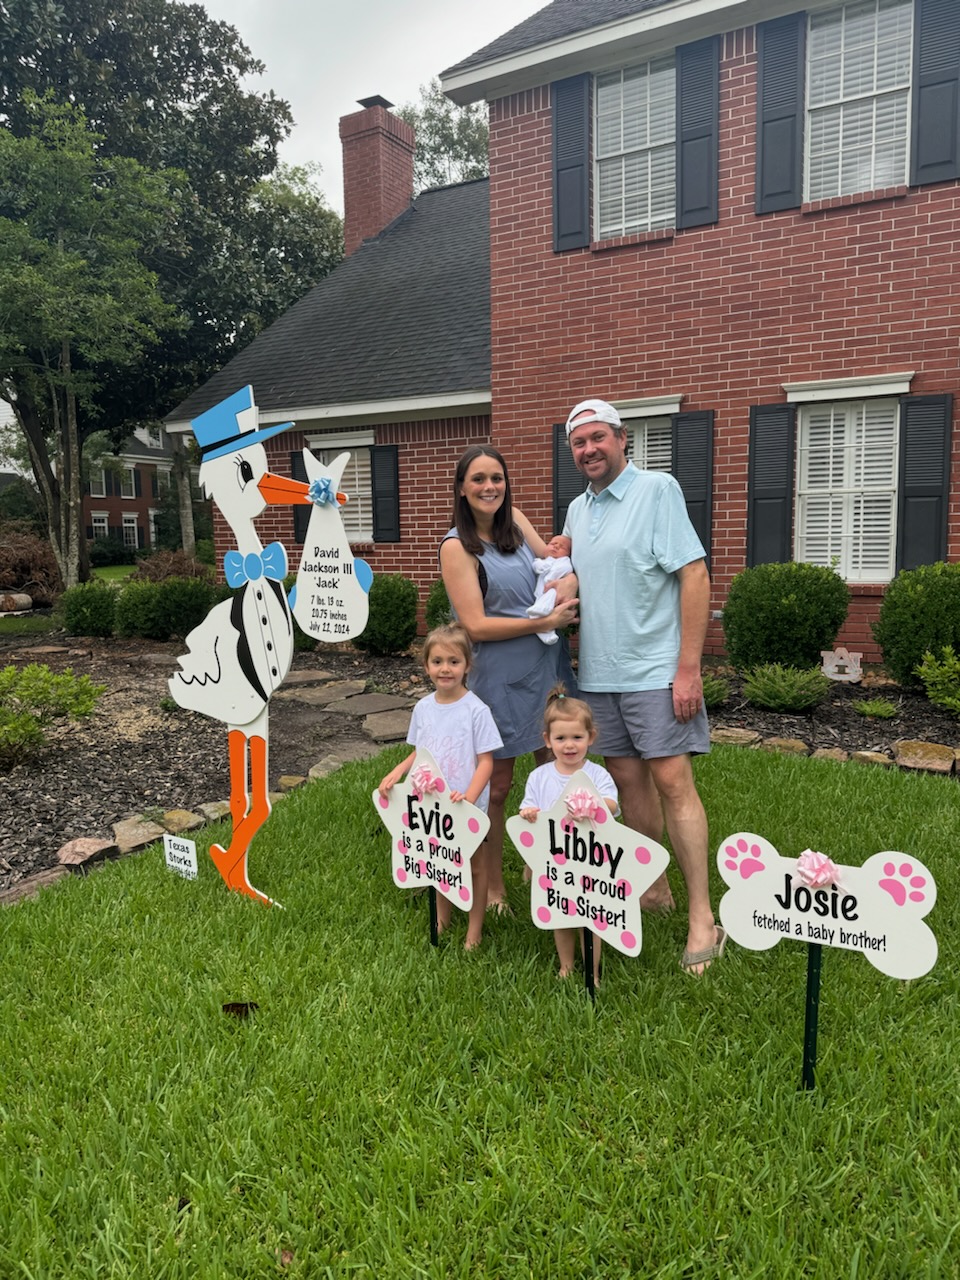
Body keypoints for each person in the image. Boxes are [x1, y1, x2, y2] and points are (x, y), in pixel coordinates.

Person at [562, 398, 724, 975]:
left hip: (656, 670)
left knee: (673, 781)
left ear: (622, 439)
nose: (589, 450)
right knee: (629, 782)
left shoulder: (658, 490)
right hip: (599, 674)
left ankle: (703, 917)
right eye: (579, 442)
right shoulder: (578, 511)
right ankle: (653, 888)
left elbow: (694, 574)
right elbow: (569, 573)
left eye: (598, 438)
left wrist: (688, 668)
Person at [440, 446, 580, 915]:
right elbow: (475, 626)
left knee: (554, 770)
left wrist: (567, 586)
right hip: (497, 676)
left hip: (546, 666)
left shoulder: (516, 520)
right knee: (496, 786)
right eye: (477, 479)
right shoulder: (456, 547)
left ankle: (549, 865)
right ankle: (493, 882)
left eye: (496, 477)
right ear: (462, 488)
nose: (489, 488)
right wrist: (540, 623)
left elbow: (557, 565)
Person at [378, 623, 502, 949]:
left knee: (475, 866)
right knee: (439, 861)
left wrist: (471, 798)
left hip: (465, 803)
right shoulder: (423, 708)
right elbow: (419, 752)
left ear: (467, 666)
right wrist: (397, 772)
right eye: (437, 661)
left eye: (453, 661)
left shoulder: (476, 711)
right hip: (430, 804)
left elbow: (486, 761)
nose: (445, 668)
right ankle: (442, 917)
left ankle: (474, 929)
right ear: (426, 666)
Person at [519, 685, 617, 983]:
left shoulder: (597, 775)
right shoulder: (539, 776)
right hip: (556, 860)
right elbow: (528, 808)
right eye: (561, 738)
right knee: (561, 914)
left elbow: (613, 805)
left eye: (577, 737)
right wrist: (530, 814)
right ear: (548, 740)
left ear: (591, 737)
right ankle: (566, 966)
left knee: (591, 917)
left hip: (590, 859)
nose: (569, 745)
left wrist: (594, 805)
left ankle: (593, 970)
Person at [525, 535, 575, 645]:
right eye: (553, 544)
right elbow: (536, 565)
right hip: (540, 589)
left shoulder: (564, 561)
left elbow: (566, 569)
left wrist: (551, 574)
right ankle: (547, 633)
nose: (556, 546)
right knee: (541, 601)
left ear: (568, 554)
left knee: (551, 595)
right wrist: (541, 566)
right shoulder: (541, 560)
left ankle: (541, 610)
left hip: (553, 588)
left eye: (562, 547)